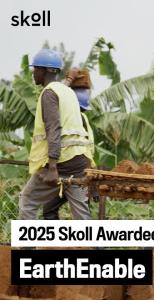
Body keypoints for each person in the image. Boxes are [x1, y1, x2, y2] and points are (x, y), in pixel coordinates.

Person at [18, 49, 94, 220]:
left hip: (60, 163)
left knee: (28, 201)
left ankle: (26, 246)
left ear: (47, 70)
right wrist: (70, 78)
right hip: (79, 162)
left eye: (36, 68)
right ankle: (95, 246)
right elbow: (60, 89)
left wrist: (52, 168)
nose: (33, 72)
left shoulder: (49, 93)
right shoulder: (67, 92)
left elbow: (54, 129)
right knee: (82, 214)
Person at [42, 88, 95, 220]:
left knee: (80, 215)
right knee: (50, 209)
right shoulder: (82, 120)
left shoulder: (77, 121)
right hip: (72, 171)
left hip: (75, 171)